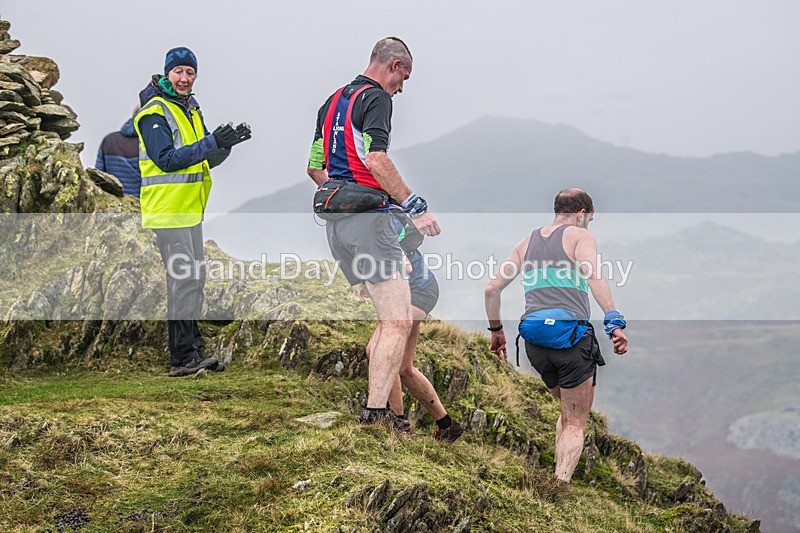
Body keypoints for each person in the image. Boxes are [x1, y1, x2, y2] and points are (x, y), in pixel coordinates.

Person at [306, 37, 462, 441]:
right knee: (395, 323)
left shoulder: (331, 102)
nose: (402, 87)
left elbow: (314, 168)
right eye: (404, 77)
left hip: (336, 225)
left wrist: (344, 197)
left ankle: (391, 417)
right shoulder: (376, 99)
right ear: (393, 65)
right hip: (371, 224)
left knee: (383, 327)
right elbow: (376, 159)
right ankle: (376, 414)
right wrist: (414, 205)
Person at [484, 188, 628, 482]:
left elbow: (491, 289)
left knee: (566, 410)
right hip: (570, 338)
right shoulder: (580, 236)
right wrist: (614, 320)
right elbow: (593, 274)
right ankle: (559, 486)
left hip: (535, 341)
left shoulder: (527, 242)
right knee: (576, 422)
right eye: (589, 219)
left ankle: (555, 477)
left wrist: (496, 330)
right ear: (581, 214)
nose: (588, 225)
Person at [134, 46, 251, 377]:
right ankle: (183, 358)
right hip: (168, 210)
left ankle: (191, 352)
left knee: (192, 279)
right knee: (184, 280)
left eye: (190, 73)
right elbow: (167, 159)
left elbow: (204, 156)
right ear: (166, 74)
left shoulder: (190, 109)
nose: (185, 78)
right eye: (179, 72)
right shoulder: (154, 112)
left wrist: (226, 144)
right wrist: (212, 142)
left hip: (189, 210)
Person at [95, 106, 142, 197]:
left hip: (114, 202)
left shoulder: (109, 140)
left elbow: (98, 175)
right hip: (142, 204)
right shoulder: (150, 143)